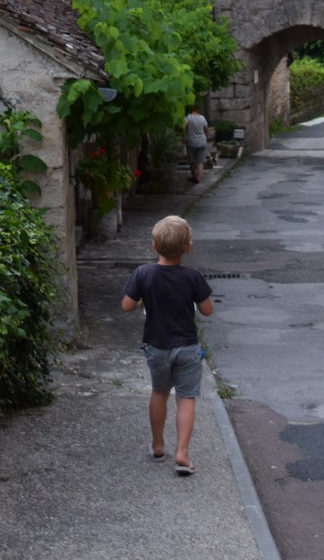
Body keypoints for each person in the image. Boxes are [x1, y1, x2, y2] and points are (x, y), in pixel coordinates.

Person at [121, 215, 214, 476]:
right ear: (188, 247)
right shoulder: (192, 276)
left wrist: (143, 299)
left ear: (154, 246)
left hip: (157, 346)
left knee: (159, 392)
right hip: (187, 347)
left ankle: (158, 445)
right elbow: (207, 310)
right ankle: (182, 452)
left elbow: (126, 305)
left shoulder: (144, 273)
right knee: (186, 398)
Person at [183, 103, 209, 183]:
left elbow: (183, 126)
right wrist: (206, 137)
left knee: (192, 160)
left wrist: (184, 135)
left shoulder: (188, 117)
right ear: (198, 110)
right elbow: (206, 129)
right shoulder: (202, 118)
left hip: (191, 141)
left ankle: (194, 176)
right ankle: (199, 177)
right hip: (202, 141)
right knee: (200, 161)